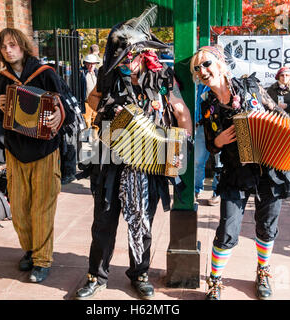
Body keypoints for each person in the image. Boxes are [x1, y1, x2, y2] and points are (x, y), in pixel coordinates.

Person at [74, 5, 192, 300]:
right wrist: (103, 112)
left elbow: (180, 111)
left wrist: (180, 146)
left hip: (148, 162)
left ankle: (139, 274)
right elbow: (91, 102)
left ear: (144, 52)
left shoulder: (162, 77)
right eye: (122, 56)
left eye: (133, 55)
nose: (128, 61)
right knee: (103, 221)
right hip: (110, 159)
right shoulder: (108, 75)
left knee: (143, 223)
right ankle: (96, 276)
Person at [190, 46, 290, 300]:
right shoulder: (208, 107)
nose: (202, 70)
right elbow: (211, 142)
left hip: (269, 169)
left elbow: (278, 116)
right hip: (235, 172)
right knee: (227, 228)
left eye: (206, 64)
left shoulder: (250, 87)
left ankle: (263, 271)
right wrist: (220, 141)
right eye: (197, 68)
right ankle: (215, 280)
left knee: (267, 226)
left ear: (221, 63)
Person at [0, 28, 72, 283]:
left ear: (23, 46)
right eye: (4, 47)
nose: (8, 50)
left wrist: (60, 114)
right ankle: (30, 249)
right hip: (15, 151)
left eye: (13, 45)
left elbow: (68, 103)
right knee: (21, 209)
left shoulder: (45, 74)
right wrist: (0, 109)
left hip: (45, 150)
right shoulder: (2, 80)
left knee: (42, 208)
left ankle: (42, 260)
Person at [195, 83, 221, 206]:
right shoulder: (199, 84)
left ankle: (217, 192)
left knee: (220, 163)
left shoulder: (223, 83)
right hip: (202, 126)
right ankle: (196, 190)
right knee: (198, 160)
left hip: (219, 128)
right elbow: (196, 103)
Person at [79, 54, 99, 130]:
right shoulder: (81, 73)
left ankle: (95, 139)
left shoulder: (98, 73)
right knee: (86, 122)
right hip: (86, 103)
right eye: (89, 64)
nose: (91, 66)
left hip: (97, 103)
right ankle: (86, 138)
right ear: (85, 64)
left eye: (93, 64)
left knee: (96, 122)